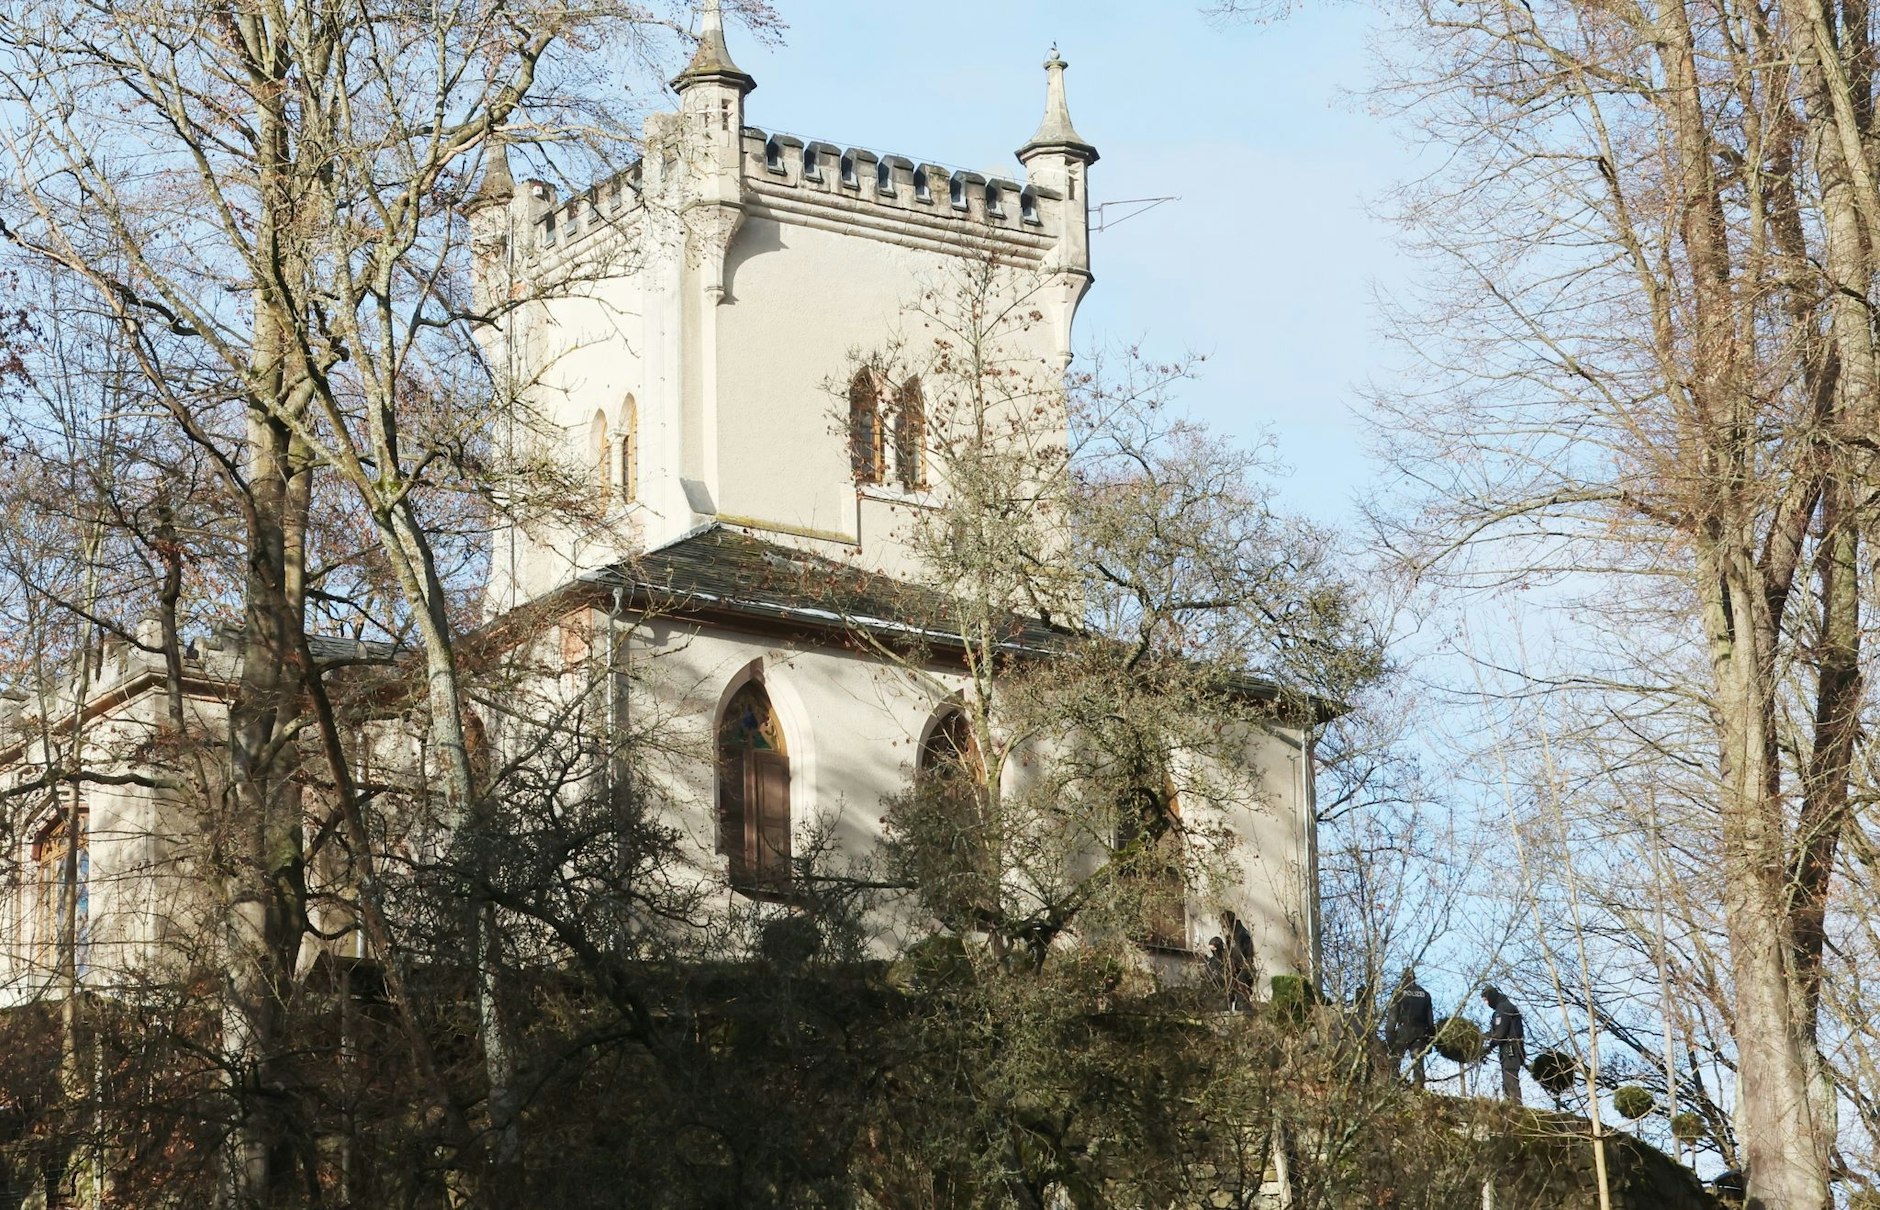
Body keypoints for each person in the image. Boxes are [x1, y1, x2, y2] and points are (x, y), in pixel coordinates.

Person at [1385, 968, 1436, 1088]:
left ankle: (1394, 1088)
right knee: (1418, 1064)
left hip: (1403, 1031)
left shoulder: (1399, 993)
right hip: (1421, 1033)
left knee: (1395, 1061)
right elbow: (1430, 1021)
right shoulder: (1425, 994)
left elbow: (1392, 1019)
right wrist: (1430, 1039)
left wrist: (1390, 1039)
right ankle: (1418, 1091)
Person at [1481, 986, 1526, 1104]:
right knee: (1508, 1080)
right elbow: (1495, 1032)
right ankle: (1512, 1104)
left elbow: (1499, 1034)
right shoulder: (1505, 1007)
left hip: (1510, 1050)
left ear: (1490, 997)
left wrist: (1488, 1047)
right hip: (1514, 1049)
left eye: (1485, 1000)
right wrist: (1482, 1037)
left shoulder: (1503, 1009)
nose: (1486, 1003)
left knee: (1510, 1081)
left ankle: (1515, 1109)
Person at [1220, 910, 1256, 1011]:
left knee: (1242, 997)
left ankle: (1244, 1017)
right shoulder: (1231, 935)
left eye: (1224, 924)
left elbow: (1246, 953)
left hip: (1243, 969)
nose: (1223, 927)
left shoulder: (1241, 934)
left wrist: (1239, 966)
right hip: (1234, 969)